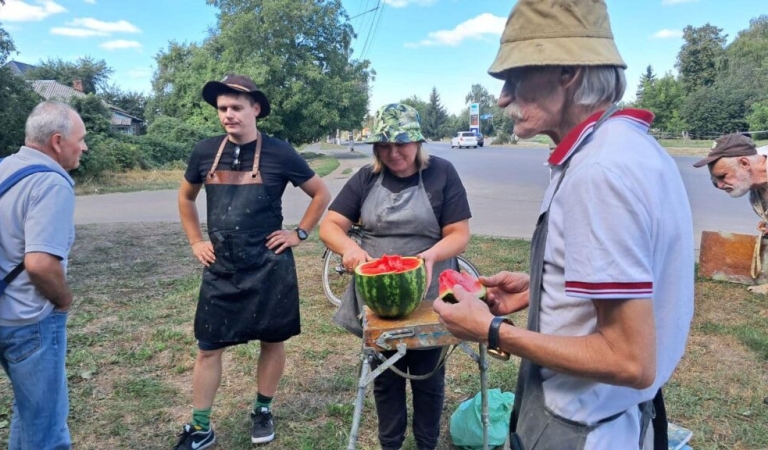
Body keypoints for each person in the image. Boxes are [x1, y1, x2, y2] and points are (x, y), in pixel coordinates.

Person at [433, 1, 695, 449]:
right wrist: (542, 287)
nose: (502, 98)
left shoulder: (600, 172)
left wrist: (492, 332)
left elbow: (630, 360)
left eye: (515, 78)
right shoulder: (627, 149)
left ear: (568, 71)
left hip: (586, 427)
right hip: (618, 417)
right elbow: (634, 284)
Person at [174, 74, 331, 449]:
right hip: (222, 264)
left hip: (268, 263)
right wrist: (196, 240)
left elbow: (321, 193)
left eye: (236, 108)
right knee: (208, 347)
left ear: (255, 109)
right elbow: (185, 199)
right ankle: (200, 427)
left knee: (272, 341)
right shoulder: (203, 151)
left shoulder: (280, 152)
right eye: (222, 109)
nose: (228, 115)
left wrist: (300, 233)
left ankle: (262, 409)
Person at [319, 103, 471, 450]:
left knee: (428, 376)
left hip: (432, 292)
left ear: (418, 142)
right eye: (384, 146)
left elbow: (459, 233)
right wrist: (350, 250)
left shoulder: (442, 173)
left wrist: (432, 254)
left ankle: (426, 444)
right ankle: (390, 444)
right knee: (385, 378)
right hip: (378, 297)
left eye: (401, 144)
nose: (393, 152)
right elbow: (330, 226)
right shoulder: (366, 178)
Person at [0, 101, 87, 449]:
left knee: (29, 411)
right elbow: (40, 264)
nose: (83, 147)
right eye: (80, 139)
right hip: (30, 321)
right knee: (48, 430)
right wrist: (65, 302)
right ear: (57, 141)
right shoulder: (52, 182)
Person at [692, 133, 768, 293]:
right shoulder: (755, 181)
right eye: (714, 182)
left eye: (722, 176)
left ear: (744, 163)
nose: (719, 186)